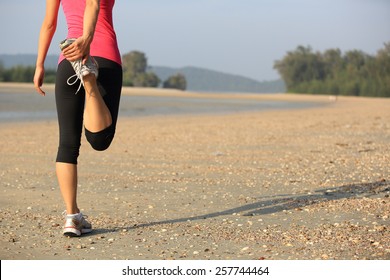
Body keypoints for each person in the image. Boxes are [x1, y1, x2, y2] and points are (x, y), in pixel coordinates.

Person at [33, 0, 122, 237]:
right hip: (103, 54)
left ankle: (72, 217)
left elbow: (49, 24)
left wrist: (40, 64)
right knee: (100, 139)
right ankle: (89, 78)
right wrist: (88, 41)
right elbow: (93, 4)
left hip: (68, 57)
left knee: (67, 144)